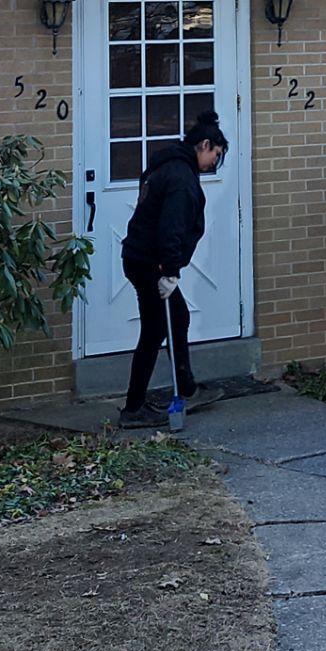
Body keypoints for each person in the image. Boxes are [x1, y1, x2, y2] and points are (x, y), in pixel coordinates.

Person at [117, 114, 230, 427]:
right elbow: (172, 228)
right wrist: (170, 271)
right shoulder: (181, 178)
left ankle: (185, 388)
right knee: (156, 330)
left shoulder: (164, 165)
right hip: (151, 263)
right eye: (216, 154)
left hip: (140, 257)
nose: (214, 161)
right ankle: (134, 408)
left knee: (175, 319)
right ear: (204, 145)